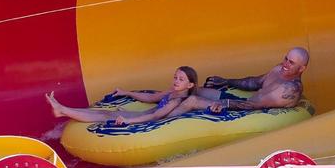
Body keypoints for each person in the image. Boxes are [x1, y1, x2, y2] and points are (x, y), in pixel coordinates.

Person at [169, 47, 309, 116]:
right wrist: (227, 81)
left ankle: (161, 121)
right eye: (286, 59)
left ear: (301, 68)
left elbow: (253, 105)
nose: (285, 64)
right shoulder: (279, 70)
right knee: (196, 90)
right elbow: (255, 82)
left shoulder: (290, 89)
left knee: (193, 100)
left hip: (248, 113)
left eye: (291, 63)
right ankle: (163, 102)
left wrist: (224, 103)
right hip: (243, 101)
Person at [46, 66, 199, 125]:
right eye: (175, 77)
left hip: (144, 120)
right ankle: (63, 110)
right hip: (144, 114)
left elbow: (155, 116)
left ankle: (63, 110)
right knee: (105, 113)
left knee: (106, 115)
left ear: (190, 85)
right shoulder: (172, 91)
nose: (176, 81)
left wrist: (128, 120)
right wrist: (127, 92)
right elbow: (152, 98)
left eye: (181, 79)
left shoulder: (177, 100)